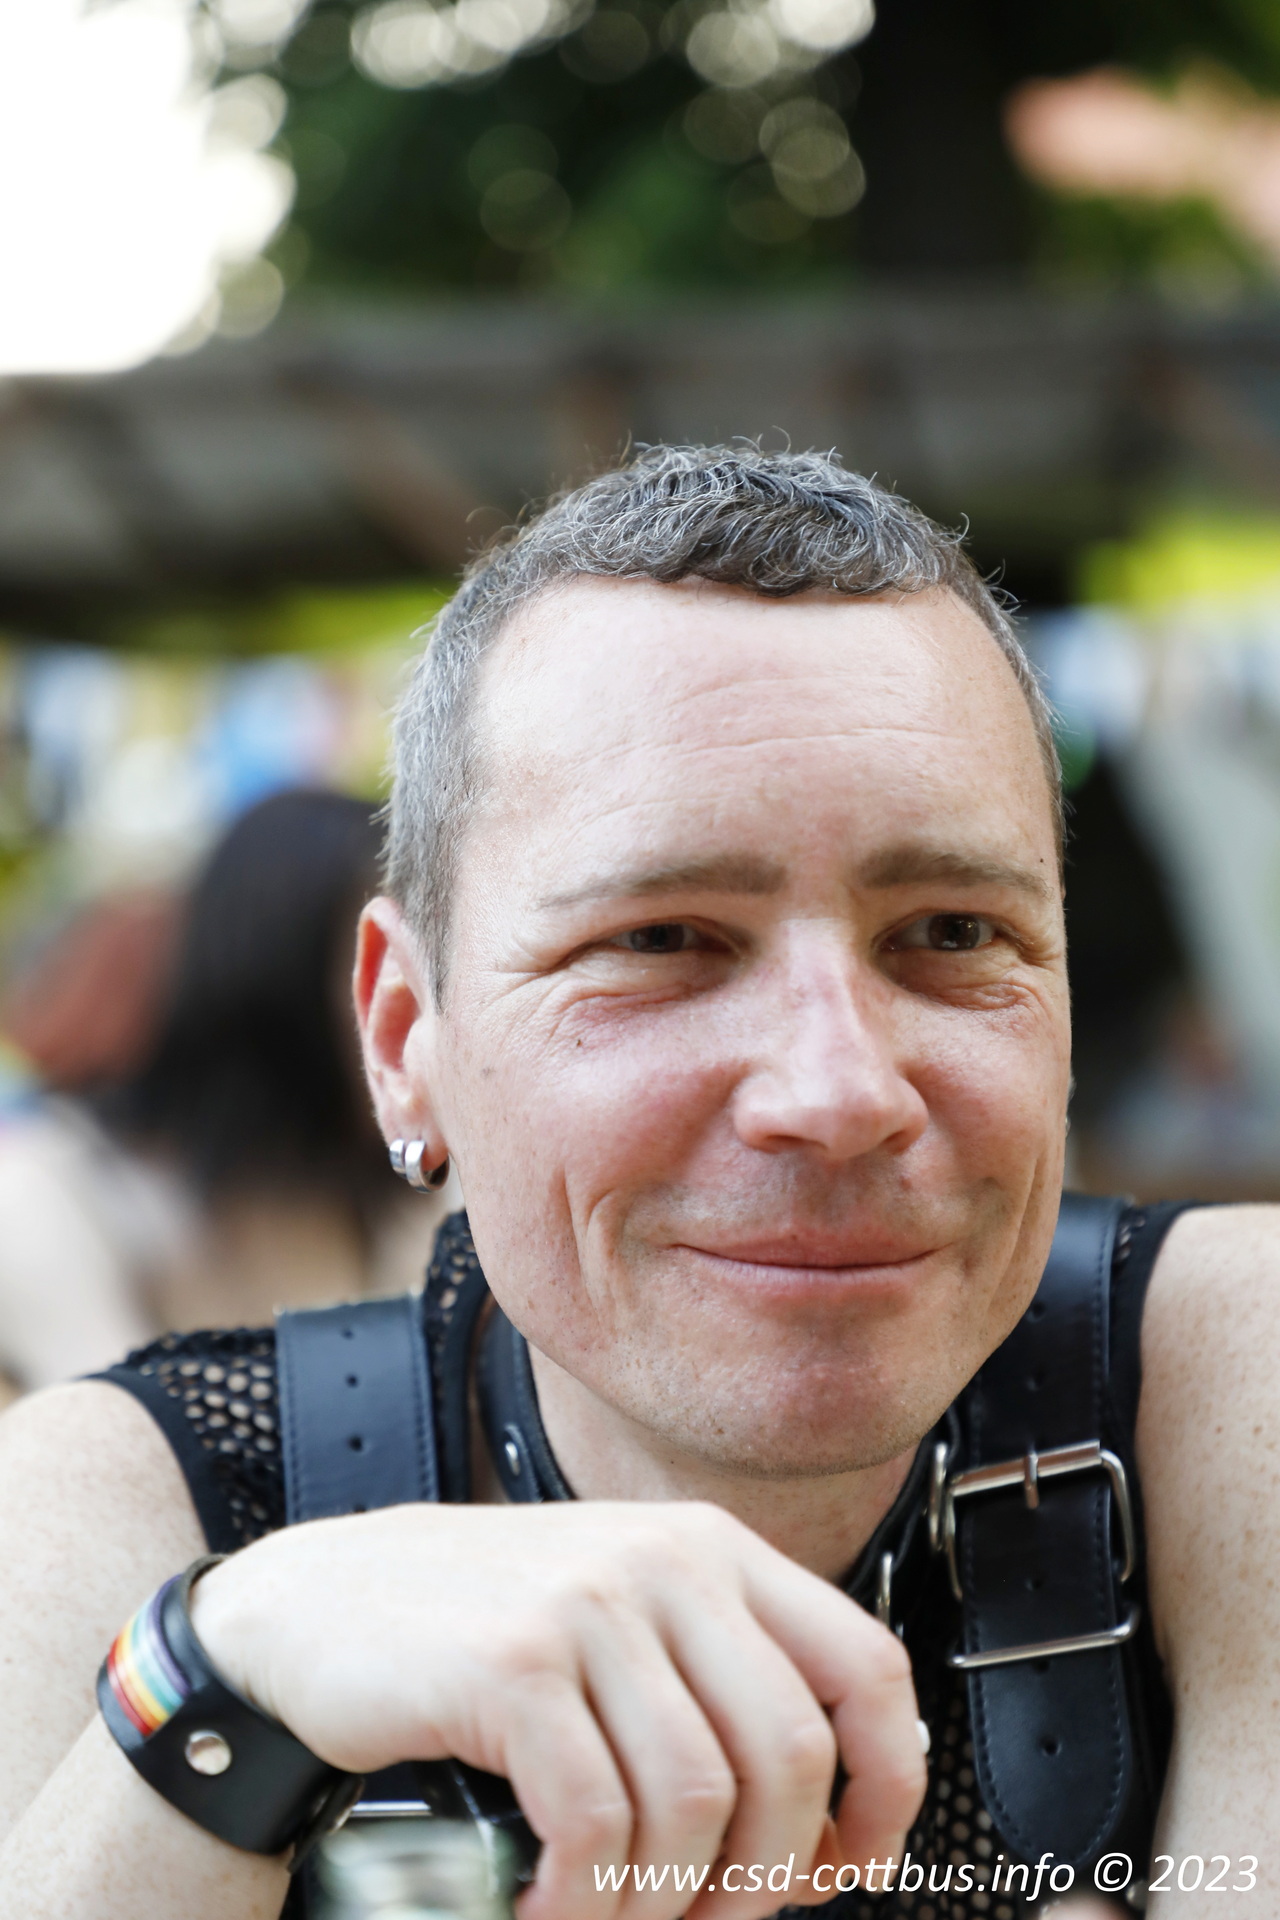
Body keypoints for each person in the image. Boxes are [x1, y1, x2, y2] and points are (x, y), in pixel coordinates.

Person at [0, 445, 1272, 1920]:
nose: (837, 1093)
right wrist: (222, 1703)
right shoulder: (130, 1515)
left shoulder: (1229, 1381)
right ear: (407, 1040)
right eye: (662, 941)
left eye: (950, 933)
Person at [0, 790, 455, 1391]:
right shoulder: (50, 1195)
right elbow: (130, 1431)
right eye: (380, 973)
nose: (417, 1020)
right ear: (270, 983)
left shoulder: (399, 1197)